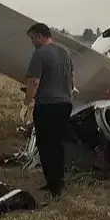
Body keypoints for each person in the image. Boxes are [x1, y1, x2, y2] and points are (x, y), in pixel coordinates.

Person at [22, 22, 74, 198]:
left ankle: (54, 187)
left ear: (39, 36)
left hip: (47, 105)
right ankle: (58, 181)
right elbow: (69, 77)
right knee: (58, 144)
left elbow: (34, 82)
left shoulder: (40, 54)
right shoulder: (65, 52)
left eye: (32, 39)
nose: (32, 43)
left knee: (45, 145)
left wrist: (26, 103)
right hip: (65, 104)